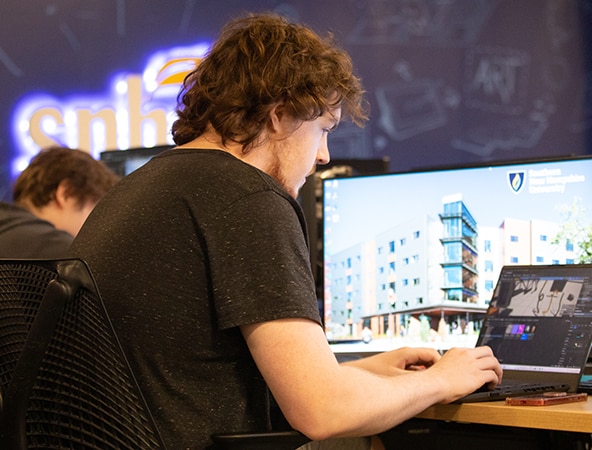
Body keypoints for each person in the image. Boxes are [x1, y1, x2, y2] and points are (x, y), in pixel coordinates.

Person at [70, 12, 502, 450]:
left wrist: (366, 370)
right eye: (322, 130)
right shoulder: (247, 199)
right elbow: (324, 411)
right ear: (278, 116)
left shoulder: (148, 184)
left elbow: (198, 374)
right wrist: (444, 381)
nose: (324, 156)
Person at [0, 146, 119, 258]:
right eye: (96, 215)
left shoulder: (8, 230)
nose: (97, 233)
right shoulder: (55, 249)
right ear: (67, 193)